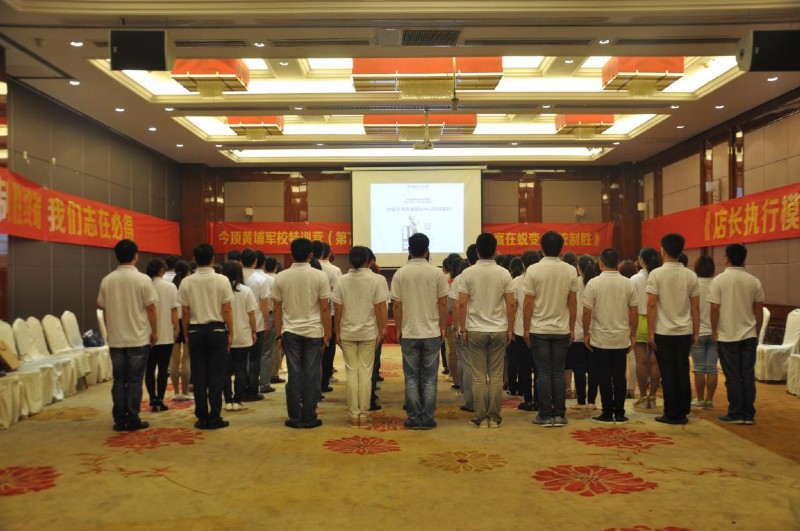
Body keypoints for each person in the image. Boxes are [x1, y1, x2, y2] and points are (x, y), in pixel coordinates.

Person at [97, 239, 158, 432]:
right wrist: (155, 331)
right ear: (135, 256)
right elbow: (151, 309)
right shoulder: (143, 280)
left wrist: (110, 331)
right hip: (137, 337)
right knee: (134, 380)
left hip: (116, 339)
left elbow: (105, 311)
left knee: (119, 380)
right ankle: (132, 418)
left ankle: (119, 419)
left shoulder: (107, 280)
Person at [391, 232, 449, 430]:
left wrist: (398, 328)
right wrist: (443, 326)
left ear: (409, 250)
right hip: (432, 331)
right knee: (430, 378)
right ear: (427, 251)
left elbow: (396, 305)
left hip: (409, 331)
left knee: (411, 377)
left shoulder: (400, 274)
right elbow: (443, 303)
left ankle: (414, 418)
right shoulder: (437, 273)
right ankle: (428, 418)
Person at [272, 238, 331, 429]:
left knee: (294, 375)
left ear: (291, 254)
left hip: (290, 332)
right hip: (314, 331)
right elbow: (324, 308)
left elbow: (277, 308)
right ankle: (309, 417)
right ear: (311, 255)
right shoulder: (320, 276)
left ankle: (295, 418)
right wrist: (327, 332)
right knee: (311, 375)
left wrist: (278, 334)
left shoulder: (281, 276)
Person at [458, 233, 515, 428]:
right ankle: (495, 417)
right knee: (496, 375)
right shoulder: (504, 273)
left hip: (475, 329)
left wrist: (463, 328)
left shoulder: (468, 273)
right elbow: (511, 303)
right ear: (495, 251)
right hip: (499, 329)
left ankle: (480, 417)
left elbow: (461, 303)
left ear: (477, 251)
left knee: (479, 376)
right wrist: (510, 328)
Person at [522, 231, 578, 428]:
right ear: (561, 248)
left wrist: (526, 328)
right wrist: (572, 328)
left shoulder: (533, 270)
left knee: (543, 372)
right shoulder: (570, 270)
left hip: (539, 328)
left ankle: (545, 414)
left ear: (542, 247)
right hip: (561, 328)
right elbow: (573, 302)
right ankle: (560, 414)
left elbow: (528, 303)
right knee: (558, 371)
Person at [178, 243, 235, 430]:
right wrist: (231, 332)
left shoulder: (187, 282)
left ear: (195, 259)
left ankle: (202, 416)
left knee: (199, 375)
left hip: (195, 331)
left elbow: (185, 312)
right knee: (217, 375)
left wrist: (186, 333)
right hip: (217, 331)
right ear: (213, 259)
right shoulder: (222, 280)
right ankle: (215, 416)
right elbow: (227, 309)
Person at [646, 233, 700, 426]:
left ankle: (671, 412)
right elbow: (695, 307)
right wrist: (696, 332)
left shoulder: (656, 274)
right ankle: (683, 411)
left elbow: (651, 305)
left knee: (668, 372)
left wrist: (650, 332)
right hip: (685, 331)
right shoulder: (690, 275)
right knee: (682, 370)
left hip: (663, 331)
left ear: (663, 250)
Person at [708, 243, 764, 425]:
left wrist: (714, 331)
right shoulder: (754, 281)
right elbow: (759, 310)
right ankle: (748, 414)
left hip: (727, 335)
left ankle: (736, 412)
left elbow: (714, 308)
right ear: (744, 259)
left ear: (726, 259)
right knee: (747, 374)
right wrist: (756, 331)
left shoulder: (719, 281)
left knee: (732, 375)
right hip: (749, 334)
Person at [332, 246, 388, 428]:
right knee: (365, 373)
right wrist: (382, 329)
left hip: (347, 331)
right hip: (368, 332)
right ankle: (363, 414)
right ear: (369, 261)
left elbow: (338, 308)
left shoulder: (341, 280)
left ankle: (353, 414)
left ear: (350, 261)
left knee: (351, 372)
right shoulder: (377, 280)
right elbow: (380, 308)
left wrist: (337, 331)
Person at [583, 248, 638, 424]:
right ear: (618, 263)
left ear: (601, 263)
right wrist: (633, 334)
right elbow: (634, 311)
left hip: (600, 337)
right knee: (620, 375)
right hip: (621, 337)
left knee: (604, 376)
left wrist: (586, 333)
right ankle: (620, 413)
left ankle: (607, 412)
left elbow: (586, 313)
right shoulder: (628, 283)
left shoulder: (593, 283)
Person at [221, 260, 258, 412]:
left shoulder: (220, 290)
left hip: (224, 334)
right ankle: (237, 400)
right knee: (241, 368)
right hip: (243, 334)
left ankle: (228, 401)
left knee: (225, 370)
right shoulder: (245, 291)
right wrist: (254, 331)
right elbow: (251, 314)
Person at [146, 258, 179, 413]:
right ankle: (160, 398)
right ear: (161, 271)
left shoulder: (145, 286)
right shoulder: (170, 287)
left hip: (147, 334)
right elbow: (174, 310)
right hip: (166, 333)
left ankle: (152, 399)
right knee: (163, 367)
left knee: (149, 368)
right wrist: (177, 328)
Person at [240, 248, 273, 400]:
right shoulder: (260, 279)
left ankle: (241, 389)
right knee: (255, 359)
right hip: (257, 323)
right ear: (255, 262)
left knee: (241, 359)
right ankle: (252, 390)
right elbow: (264, 304)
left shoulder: (236, 276)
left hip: (240, 323)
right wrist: (266, 322)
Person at [631, 247, 662, 408]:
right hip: (657, 320)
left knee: (641, 362)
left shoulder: (634, 279)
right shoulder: (660, 277)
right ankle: (653, 397)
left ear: (641, 260)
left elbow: (630, 304)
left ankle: (643, 396)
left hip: (640, 320)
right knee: (655, 362)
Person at [569, 254, 600, 411]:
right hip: (595, 332)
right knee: (594, 368)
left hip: (577, 332)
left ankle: (581, 401)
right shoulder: (597, 283)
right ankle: (592, 402)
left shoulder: (574, 282)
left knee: (579, 368)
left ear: (578, 267)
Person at [313, 241, 342, 395]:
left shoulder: (310, 268)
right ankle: (324, 380)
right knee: (328, 349)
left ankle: (313, 383)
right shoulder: (334, 270)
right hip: (329, 313)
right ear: (328, 253)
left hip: (312, 314)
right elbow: (337, 294)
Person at [514, 250, 540, 412]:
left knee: (524, 367)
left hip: (520, 329)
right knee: (539, 368)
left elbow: (513, 305)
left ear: (523, 264)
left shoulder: (517, 281)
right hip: (539, 328)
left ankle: (528, 400)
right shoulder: (542, 279)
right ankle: (538, 400)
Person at [453, 244, 478, 412]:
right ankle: (491, 405)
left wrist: (458, 327)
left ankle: (470, 401)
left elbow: (458, 304)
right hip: (495, 327)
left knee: (467, 363)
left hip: (470, 326)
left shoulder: (462, 277)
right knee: (492, 370)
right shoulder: (501, 273)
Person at [691, 255, 718, 409]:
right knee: (712, 367)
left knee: (699, 368)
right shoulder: (717, 283)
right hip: (715, 332)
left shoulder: (694, 284)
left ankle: (700, 399)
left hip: (697, 332)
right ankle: (709, 400)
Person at [170, 260, 192, 401]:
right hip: (187, 321)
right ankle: (185, 392)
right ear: (188, 272)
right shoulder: (188, 284)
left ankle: (176, 392)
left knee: (174, 360)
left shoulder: (172, 285)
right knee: (186, 359)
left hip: (174, 322)